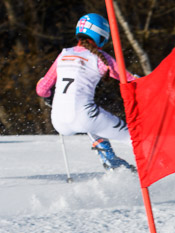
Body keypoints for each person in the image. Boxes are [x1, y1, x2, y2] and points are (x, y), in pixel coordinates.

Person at [36, 13, 137, 171]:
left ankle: (109, 157)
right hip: (84, 116)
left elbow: (41, 89)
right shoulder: (100, 58)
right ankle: (164, 168)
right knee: (134, 138)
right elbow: (131, 80)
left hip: (58, 121)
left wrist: (49, 96)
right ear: (102, 35)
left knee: (92, 123)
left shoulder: (64, 53)